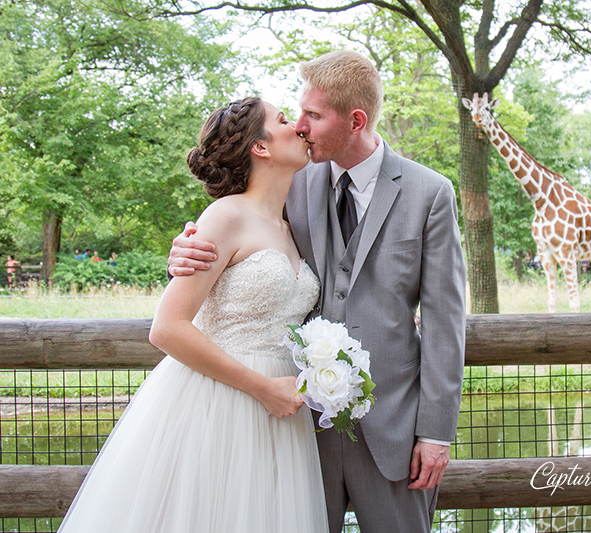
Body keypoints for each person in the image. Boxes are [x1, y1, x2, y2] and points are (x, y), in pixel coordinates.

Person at [169, 50, 467, 533]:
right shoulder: (293, 181)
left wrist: (435, 433)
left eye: (313, 115)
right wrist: (184, 252)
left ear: (355, 120)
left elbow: (445, 322)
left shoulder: (429, 193)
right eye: (296, 112)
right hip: (294, 429)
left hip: (393, 427)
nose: (301, 125)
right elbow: (239, 238)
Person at [57, 97, 328, 532]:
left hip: (280, 412)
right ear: (259, 147)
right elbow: (166, 329)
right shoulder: (225, 216)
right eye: (282, 120)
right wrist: (261, 387)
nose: (298, 126)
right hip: (218, 403)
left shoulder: (291, 225)